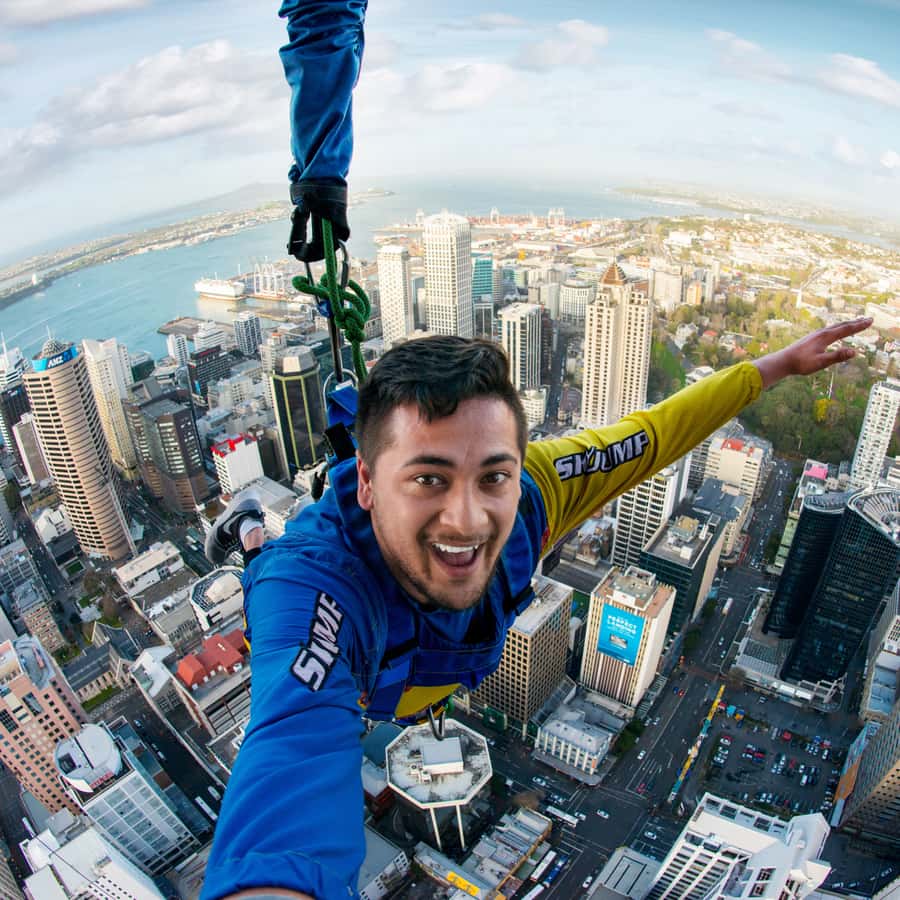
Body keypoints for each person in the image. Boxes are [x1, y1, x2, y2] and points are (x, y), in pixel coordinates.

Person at [200, 319, 871, 900]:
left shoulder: (536, 491)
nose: (465, 522)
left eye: (491, 475)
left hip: (417, 674)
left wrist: (776, 366)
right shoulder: (319, 594)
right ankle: (251, 530)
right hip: (333, 608)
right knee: (267, 568)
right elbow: (289, 756)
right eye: (429, 478)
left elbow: (650, 438)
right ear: (370, 484)